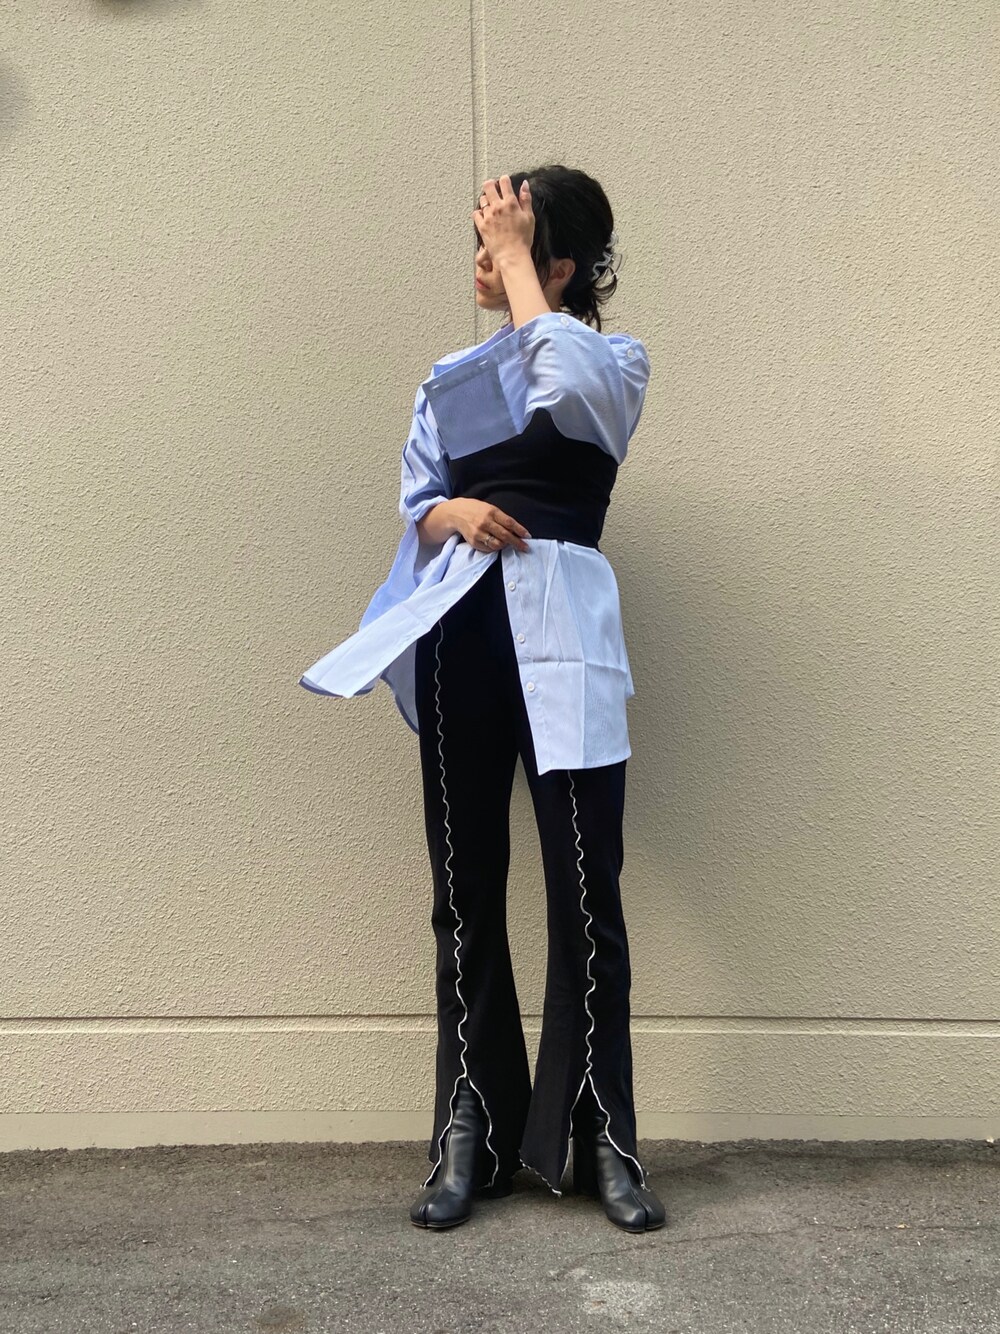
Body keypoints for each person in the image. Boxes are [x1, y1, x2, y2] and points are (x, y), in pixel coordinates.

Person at [299, 164, 666, 1234]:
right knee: (463, 891)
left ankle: (602, 1138)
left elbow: (571, 395)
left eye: (502, 241)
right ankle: (472, 1132)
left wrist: (519, 268)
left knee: (588, 896)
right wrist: (450, 512)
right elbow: (418, 504)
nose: (481, 257)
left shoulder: (611, 360)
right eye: (479, 241)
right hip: (464, 636)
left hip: (568, 645)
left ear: (560, 264)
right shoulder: (450, 379)